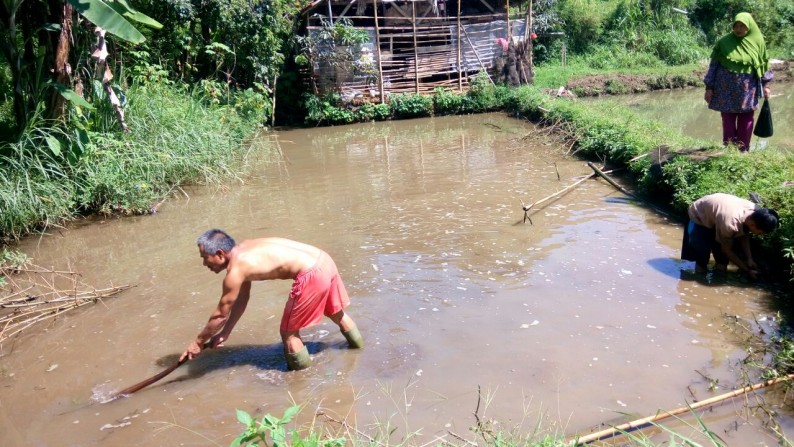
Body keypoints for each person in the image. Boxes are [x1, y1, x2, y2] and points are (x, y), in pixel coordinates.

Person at [180, 229, 364, 371]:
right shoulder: (244, 251)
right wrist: (226, 333)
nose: (205, 264)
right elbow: (242, 299)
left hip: (310, 272)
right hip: (323, 260)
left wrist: (197, 342)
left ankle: (300, 383)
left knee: (288, 333)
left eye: (205, 258)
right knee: (335, 312)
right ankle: (360, 351)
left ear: (220, 254)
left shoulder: (235, 271)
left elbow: (220, 315)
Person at [703, 12, 772, 153]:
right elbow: (714, 66)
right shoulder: (723, 42)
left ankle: (743, 150)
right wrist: (709, 87)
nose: (739, 29)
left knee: (746, 119)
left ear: (750, 27)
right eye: (736, 26)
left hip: (747, 90)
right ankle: (729, 150)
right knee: (727, 118)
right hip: (724, 89)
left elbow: (763, 65)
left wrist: (766, 85)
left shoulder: (757, 42)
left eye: (743, 26)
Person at [681, 193, 779, 279]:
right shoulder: (730, 223)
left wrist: (749, 258)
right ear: (753, 224)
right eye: (760, 232)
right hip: (700, 215)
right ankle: (699, 279)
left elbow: (744, 234)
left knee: (722, 260)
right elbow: (726, 250)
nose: (760, 235)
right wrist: (747, 270)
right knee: (701, 256)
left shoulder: (756, 212)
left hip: (719, 214)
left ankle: (719, 276)